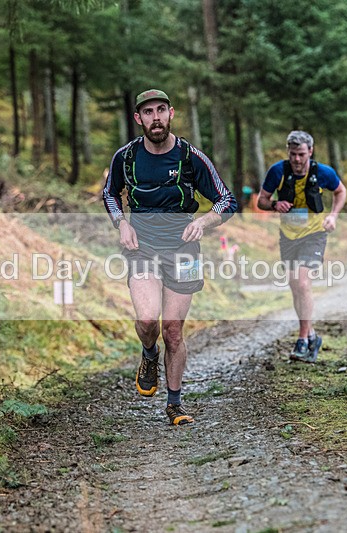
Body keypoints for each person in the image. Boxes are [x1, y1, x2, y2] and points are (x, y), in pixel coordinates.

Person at [102, 89, 237, 425]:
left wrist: (204, 221)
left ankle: (174, 404)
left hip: (183, 250)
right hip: (142, 247)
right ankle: (149, 354)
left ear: (171, 113)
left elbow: (227, 200)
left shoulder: (191, 157)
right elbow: (109, 193)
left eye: (161, 110)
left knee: (173, 330)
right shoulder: (127, 156)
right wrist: (121, 223)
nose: (156, 117)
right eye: (148, 112)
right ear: (139, 119)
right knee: (148, 320)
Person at [256, 131, 346, 363]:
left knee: (303, 282)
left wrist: (333, 216)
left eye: (301, 154)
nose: (297, 159)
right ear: (288, 152)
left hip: (314, 234)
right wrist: (275, 204)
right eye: (293, 154)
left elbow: (340, 191)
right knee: (295, 285)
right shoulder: (278, 171)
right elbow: (261, 201)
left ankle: (302, 339)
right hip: (288, 235)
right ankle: (313, 336)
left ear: (310, 152)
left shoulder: (323, 172)